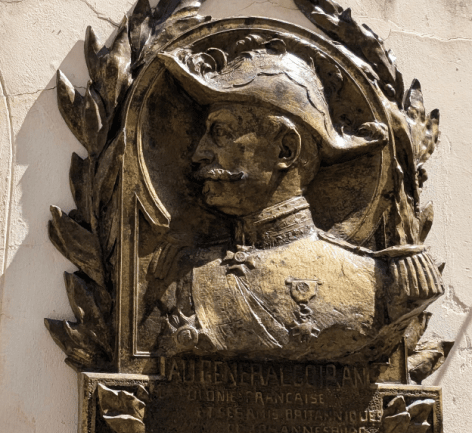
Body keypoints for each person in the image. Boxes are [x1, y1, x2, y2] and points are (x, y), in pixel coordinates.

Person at [147, 36, 443, 361]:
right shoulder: (184, 273)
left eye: (220, 133)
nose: (199, 153)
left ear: (286, 149)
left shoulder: (378, 285)